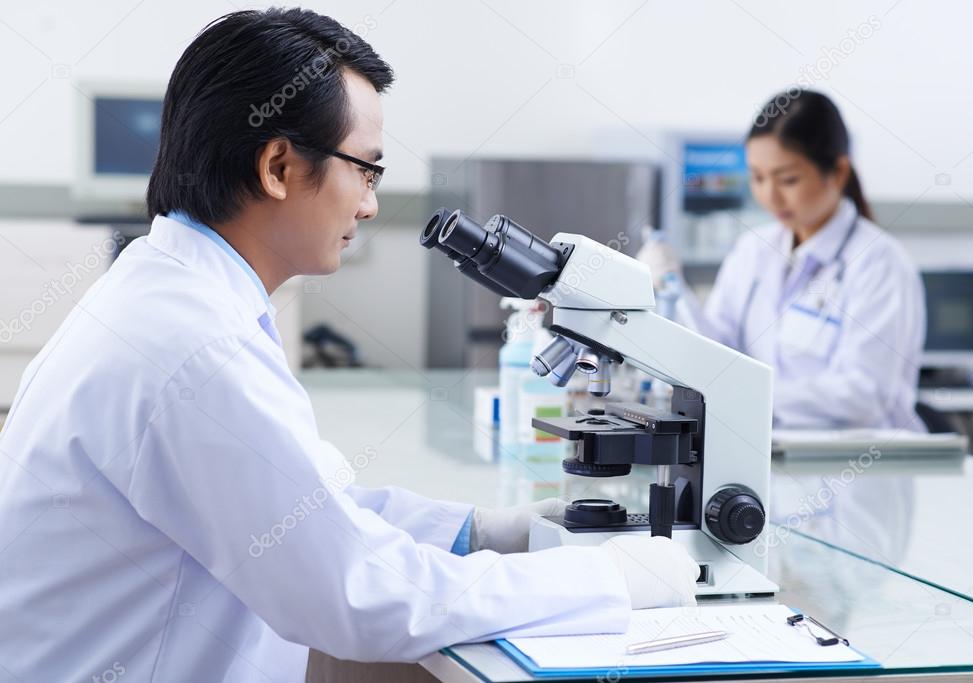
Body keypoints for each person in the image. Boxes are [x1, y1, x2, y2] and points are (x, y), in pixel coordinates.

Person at [0, 9, 698, 682]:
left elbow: (312, 505)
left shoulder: (168, 296)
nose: (368, 204)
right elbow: (355, 593)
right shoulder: (193, 349)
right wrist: (606, 579)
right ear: (277, 165)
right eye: (364, 170)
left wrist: (483, 529)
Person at [640, 90, 925, 431]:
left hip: (861, 468)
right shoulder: (754, 250)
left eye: (787, 179)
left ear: (837, 172)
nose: (769, 196)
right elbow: (716, 352)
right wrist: (673, 289)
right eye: (758, 178)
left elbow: (865, 394)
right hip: (772, 455)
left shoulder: (878, 263)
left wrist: (750, 396)